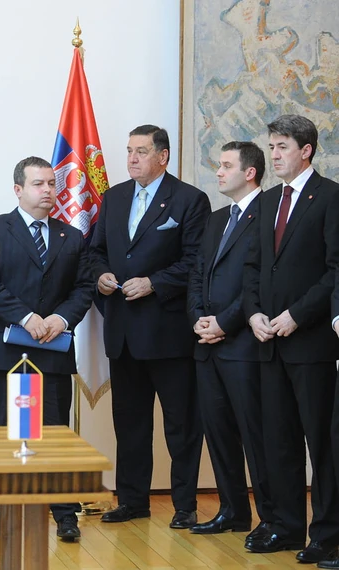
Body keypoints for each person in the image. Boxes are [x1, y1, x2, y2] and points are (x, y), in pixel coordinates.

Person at [89, 124, 209, 529]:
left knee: (181, 425)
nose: (132, 159)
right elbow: (95, 252)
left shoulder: (189, 199)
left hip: (168, 334)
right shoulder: (114, 197)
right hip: (123, 332)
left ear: (163, 156)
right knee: (130, 424)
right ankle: (132, 500)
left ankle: (184, 505)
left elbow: (195, 262)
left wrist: (155, 283)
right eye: (129, 151)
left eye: (141, 151)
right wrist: (101, 275)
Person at [0, 156, 93, 542]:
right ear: (18, 189)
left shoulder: (71, 235)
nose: (47, 191)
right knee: (2, 430)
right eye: (38, 184)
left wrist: (61, 319)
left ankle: (65, 514)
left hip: (52, 347)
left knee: (54, 432)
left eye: (52, 184)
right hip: (2, 347)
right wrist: (26, 317)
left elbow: (84, 287)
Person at [243, 115, 339, 562]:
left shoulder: (331, 197)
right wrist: (254, 314)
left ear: (306, 150)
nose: (274, 154)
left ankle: (327, 533)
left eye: (282, 146)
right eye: (271, 146)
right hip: (269, 341)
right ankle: (285, 526)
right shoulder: (266, 202)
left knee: (321, 444)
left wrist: (296, 315)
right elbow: (252, 268)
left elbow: (335, 271)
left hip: (312, 343)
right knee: (277, 440)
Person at [186, 141, 273, 543]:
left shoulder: (269, 213)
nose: (218, 172)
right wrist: (199, 320)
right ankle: (232, 511)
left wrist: (224, 322)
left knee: (256, 436)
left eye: (225, 166)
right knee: (218, 433)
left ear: (249, 172)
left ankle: (271, 518)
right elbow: (197, 273)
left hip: (244, 346)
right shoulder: (218, 218)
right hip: (207, 346)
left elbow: (260, 283)